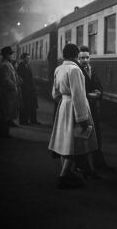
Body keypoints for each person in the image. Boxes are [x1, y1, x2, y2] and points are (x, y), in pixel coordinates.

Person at [48, 43, 98, 189]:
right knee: (73, 144)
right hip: (74, 108)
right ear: (76, 55)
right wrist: (82, 118)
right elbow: (78, 95)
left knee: (65, 143)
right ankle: (63, 176)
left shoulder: (59, 68)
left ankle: (66, 173)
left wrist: (64, 102)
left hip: (63, 106)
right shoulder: (75, 69)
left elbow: (55, 93)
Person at [74, 46, 113, 178]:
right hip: (83, 107)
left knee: (96, 135)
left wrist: (99, 92)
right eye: (82, 58)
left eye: (87, 57)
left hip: (93, 107)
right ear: (78, 59)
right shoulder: (77, 71)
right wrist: (89, 95)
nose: (85, 60)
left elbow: (98, 85)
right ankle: (81, 165)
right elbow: (76, 91)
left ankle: (99, 163)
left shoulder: (92, 69)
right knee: (83, 136)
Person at [0, 46, 21, 138]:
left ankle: (4, 132)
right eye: (11, 54)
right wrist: (14, 86)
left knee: (7, 112)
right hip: (8, 93)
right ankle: (3, 133)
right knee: (5, 113)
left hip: (9, 93)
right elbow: (6, 79)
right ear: (7, 55)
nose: (13, 55)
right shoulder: (5, 65)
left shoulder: (7, 64)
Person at [16, 53, 39, 125]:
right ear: (23, 59)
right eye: (27, 58)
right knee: (25, 106)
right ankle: (23, 121)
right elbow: (21, 79)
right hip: (25, 89)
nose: (28, 59)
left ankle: (33, 120)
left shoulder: (27, 65)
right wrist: (25, 87)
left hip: (30, 89)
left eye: (29, 58)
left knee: (32, 105)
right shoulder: (21, 66)